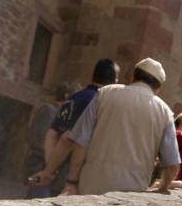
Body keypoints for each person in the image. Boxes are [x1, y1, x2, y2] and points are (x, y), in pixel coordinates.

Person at [43, 58, 180, 195]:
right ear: (158, 88)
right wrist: (163, 186)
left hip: (91, 187)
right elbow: (172, 164)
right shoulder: (165, 112)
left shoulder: (104, 93)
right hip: (132, 194)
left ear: (133, 77)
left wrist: (71, 181)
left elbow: (80, 141)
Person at [29, 59, 119, 189]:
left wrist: (51, 166)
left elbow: (52, 133)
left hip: (54, 164)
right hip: (71, 171)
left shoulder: (74, 97)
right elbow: (72, 138)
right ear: (113, 80)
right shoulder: (96, 100)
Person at [24, 81, 81, 199]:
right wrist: (50, 167)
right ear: (66, 95)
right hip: (40, 167)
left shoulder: (63, 115)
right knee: (36, 203)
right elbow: (40, 141)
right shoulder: (49, 110)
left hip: (52, 171)